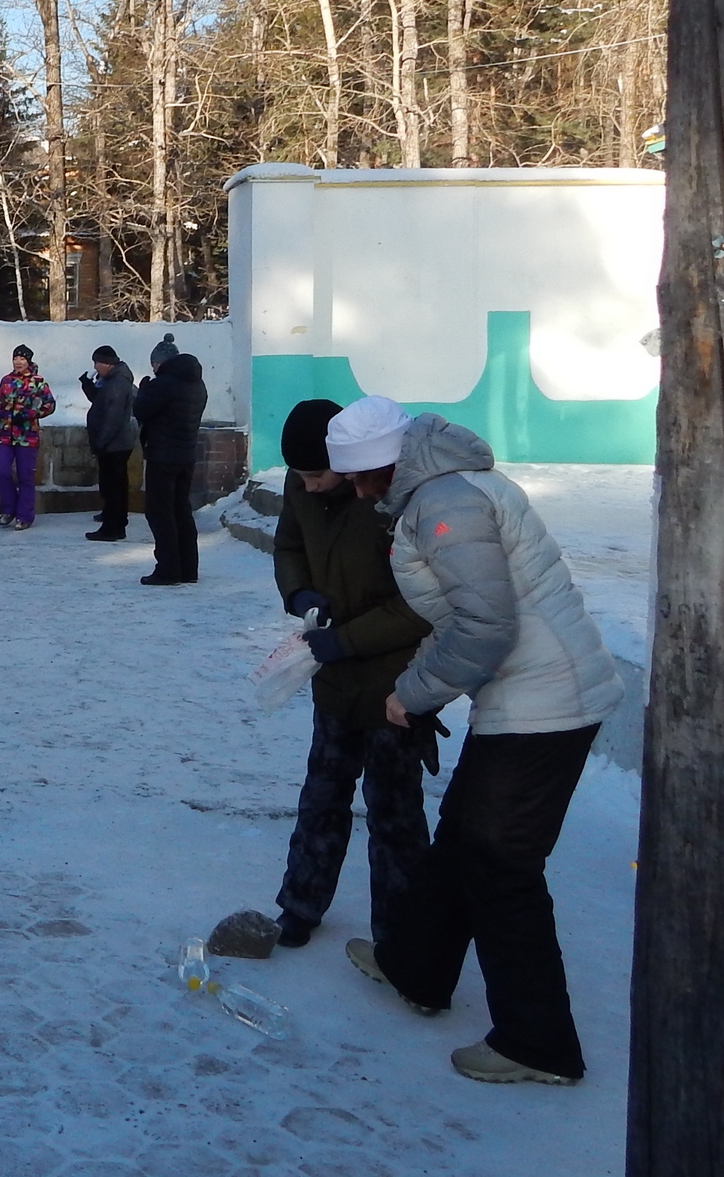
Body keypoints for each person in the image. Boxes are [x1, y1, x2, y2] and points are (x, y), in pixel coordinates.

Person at [330, 397, 622, 1087]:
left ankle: (537, 1042)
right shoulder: (444, 490)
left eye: (354, 476)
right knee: (461, 839)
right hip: (529, 696)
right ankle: (416, 968)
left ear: (378, 467)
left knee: (501, 868)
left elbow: (488, 625)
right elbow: (469, 615)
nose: (352, 490)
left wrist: (415, 692)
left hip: (546, 704)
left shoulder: (446, 505)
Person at [210, 399, 434, 961]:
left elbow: (419, 604)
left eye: (317, 475)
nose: (307, 487)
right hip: (332, 673)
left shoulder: (389, 499)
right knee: (322, 794)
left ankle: (404, 937)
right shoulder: (301, 485)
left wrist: (349, 640)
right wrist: (298, 591)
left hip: (395, 683)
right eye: (300, 476)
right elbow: (289, 544)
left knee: (394, 813)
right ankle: (301, 903)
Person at [133, 335, 207, 586]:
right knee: (181, 510)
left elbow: (141, 410)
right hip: (186, 454)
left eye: (154, 364)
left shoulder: (164, 384)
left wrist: (144, 391)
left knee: (159, 513)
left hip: (162, 456)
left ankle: (167, 569)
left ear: (160, 362)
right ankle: (188, 568)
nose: (153, 369)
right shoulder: (197, 383)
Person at [0, 345, 58, 529]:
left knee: (25, 475)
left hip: (27, 436)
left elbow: (49, 405)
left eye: (22, 359)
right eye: (15, 358)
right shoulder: (6, 381)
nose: (18, 362)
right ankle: (9, 509)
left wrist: (29, 414)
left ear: (28, 361)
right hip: (4, 434)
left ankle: (24, 515)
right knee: (1, 471)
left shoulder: (38, 382)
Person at [80, 345, 138, 543]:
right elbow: (101, 403)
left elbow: (112, 416)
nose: (95, 367)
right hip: (115, 442)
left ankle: (112, 528)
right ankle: (115, 524)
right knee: (114, 485)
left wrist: (101, 442)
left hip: (114, 444)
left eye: (97, 363)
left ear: (106, 363)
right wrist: (88, 387)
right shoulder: (112, 380)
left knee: (114, 487)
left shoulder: (117, 383)